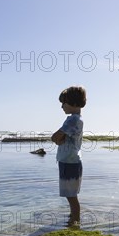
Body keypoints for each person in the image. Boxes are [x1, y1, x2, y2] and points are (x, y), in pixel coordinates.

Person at [51, 86, 86, 227]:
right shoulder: (74, 119)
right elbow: (59, 138)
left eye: (63, 103)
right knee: (70, 194)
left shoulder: (72, 120)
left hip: (69, 162)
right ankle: (73, 217)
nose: (61, 107)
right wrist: (59, 139)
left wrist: (57, 138)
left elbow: (55, 137)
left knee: (71, 195)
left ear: (74, 103)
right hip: (70, 160)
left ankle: (75, 222)